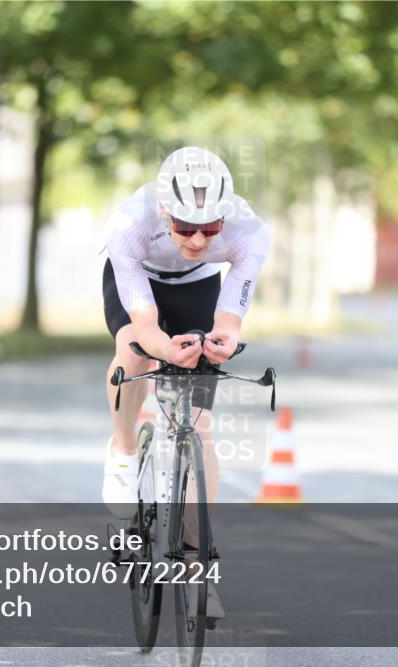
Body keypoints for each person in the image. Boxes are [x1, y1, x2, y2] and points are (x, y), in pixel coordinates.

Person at [101, 146, 271, 516]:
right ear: (164, 212)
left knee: (201, 421)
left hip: (198, 282)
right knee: (133, 351)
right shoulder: (129, 224)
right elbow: (146, 326)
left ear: (225, 216)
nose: (197, 240)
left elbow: (228, 322)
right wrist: (164, 349)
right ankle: (123, 451)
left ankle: (195, 541)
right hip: (139, 276)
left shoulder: (250, 232)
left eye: (210, 228)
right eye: (184, 227)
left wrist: (222, 341)